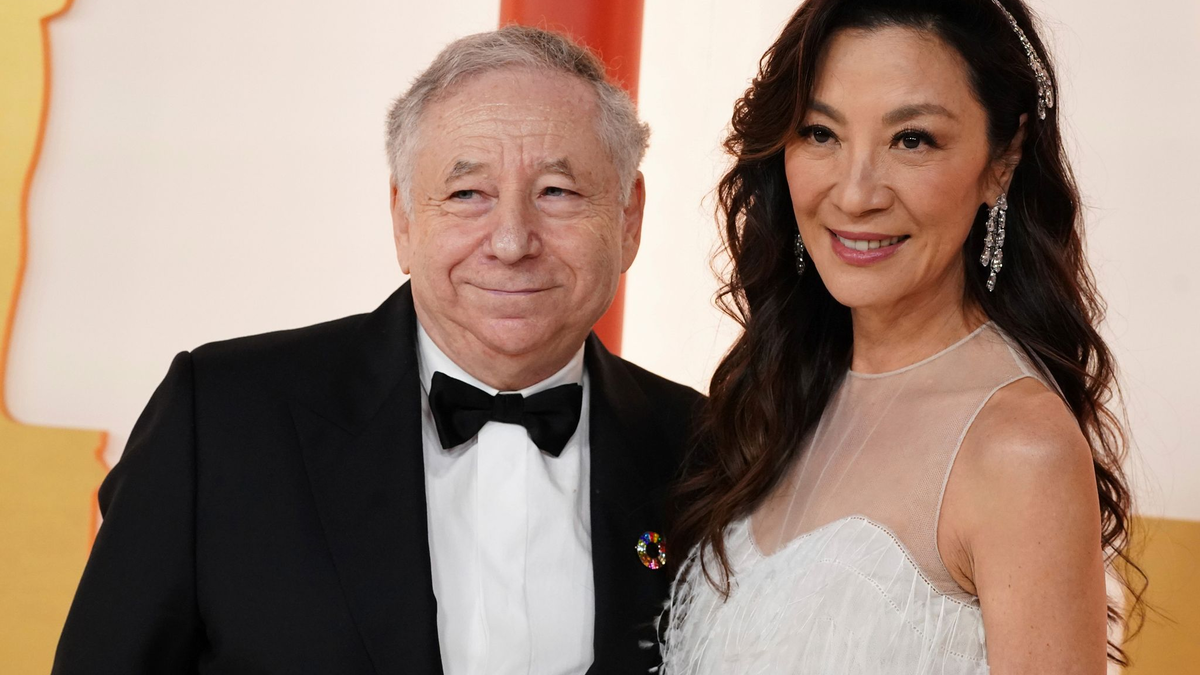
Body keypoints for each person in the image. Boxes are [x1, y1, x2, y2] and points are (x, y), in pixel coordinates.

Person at [53, 26, 700, 675]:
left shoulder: (707, 447)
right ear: (403, 219)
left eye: (557, 192)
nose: (510, 240)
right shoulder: (220, 418)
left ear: (628, 217)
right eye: (466, 193)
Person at [661, 0, 1144, 673]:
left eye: (912, 139)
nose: (855, 193)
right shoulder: (775, 400)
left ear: (1002, 160)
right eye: (820, 133)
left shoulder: (1016, 448)